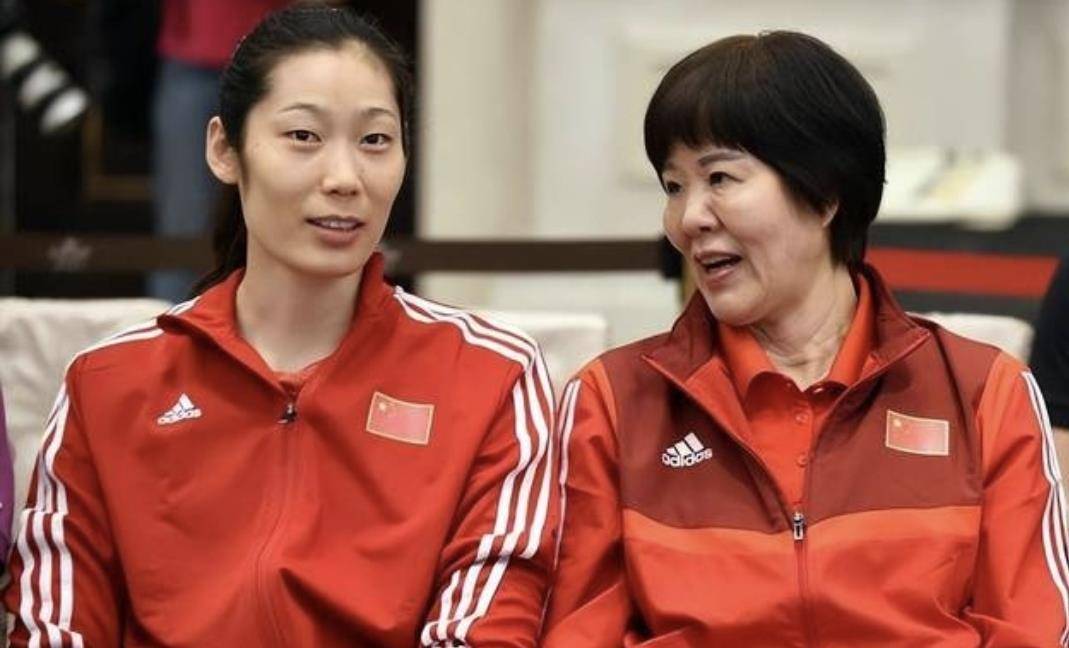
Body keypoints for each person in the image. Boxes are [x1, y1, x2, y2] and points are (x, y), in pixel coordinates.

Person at [4, 6, 557, 647]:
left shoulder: (492, 376)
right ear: (224, 149)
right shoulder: (108, 383)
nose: (344, 179)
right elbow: (56, 629)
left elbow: (486, 628)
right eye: (303, 136)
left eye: (375, 140)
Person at [543, 31, 1069, 646]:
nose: (689, 219)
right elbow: (579, 632)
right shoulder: (611, 401)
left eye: (719, 177)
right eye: (674, 186)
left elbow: (1030, 630)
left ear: (824, 194)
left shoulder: (985, 393)